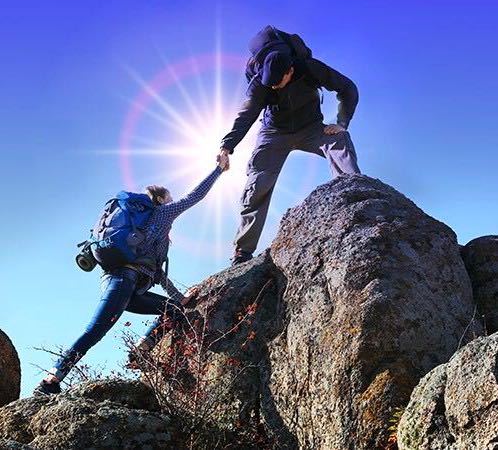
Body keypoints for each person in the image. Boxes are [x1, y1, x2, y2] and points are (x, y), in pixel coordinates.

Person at [34, 156, 228, 395]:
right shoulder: (160, 214)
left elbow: (155, 272)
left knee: (174, 311)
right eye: (169, 200)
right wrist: (218, 170)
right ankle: (50, 380)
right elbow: (194, 196)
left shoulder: (152, 234)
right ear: (160, 200)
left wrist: (179, 297)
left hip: (127, 285)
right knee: (96, 329)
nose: (172, 203)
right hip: (123, 280)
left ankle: (141, 350)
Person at [218, 26, 361, 265]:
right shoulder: (260, 84)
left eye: (279, 82)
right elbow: (246, 115)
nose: (274, 87)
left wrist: (341, 122)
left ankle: (355, 197)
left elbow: (348, 88)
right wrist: (226, 147)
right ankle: (242, 251)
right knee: (258, 184)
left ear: (290, 70)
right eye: (269, 84)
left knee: (338, 141)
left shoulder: (310, 69)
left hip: (311, 128)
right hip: (274, 133)